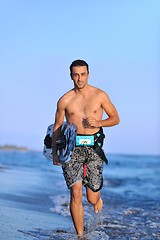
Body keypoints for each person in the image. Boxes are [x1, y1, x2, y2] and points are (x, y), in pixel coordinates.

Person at [52, 59, 120, 237]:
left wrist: (98, 122)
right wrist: (54, 153)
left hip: (94, 148)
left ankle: (97, 197)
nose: (79, 78)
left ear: (88, 74)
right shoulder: (65, 100)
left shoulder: (100, 95)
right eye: (76, 75)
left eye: (82, 74)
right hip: (71, 148)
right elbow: (57, 127)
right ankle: (80, 236)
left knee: (91, 198)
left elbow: (115, 118)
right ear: (71, 76)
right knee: (75, 192)